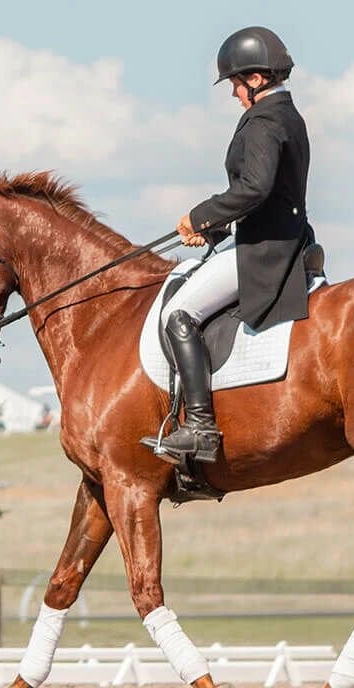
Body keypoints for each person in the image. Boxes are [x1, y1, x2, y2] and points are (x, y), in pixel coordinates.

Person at [146, 25, 317, 465]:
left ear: (256, 79)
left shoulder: (263, 120)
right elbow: (270, 195)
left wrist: (200, 215)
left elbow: (255, 189)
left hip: (264, 250)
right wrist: (217, 230)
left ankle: (200, 426)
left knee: (178, 312)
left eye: (236, 84)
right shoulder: (287, 115)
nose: (234, 94)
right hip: (278, 236)